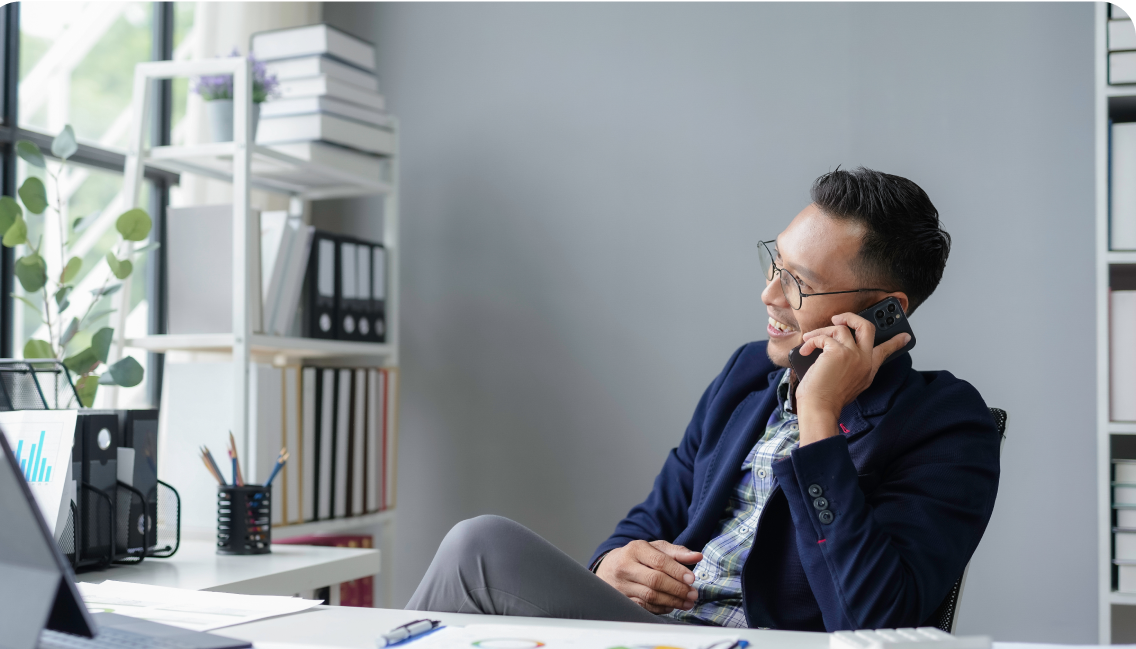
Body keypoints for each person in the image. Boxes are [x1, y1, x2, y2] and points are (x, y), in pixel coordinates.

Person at [406, 167, 1000, 631]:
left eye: (799, 283)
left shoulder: (948, 427)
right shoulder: (747, 376)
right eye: (776, 262)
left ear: (881, 311)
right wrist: (612, 565)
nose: (768, 293)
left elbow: (874, 622)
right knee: (479, 546)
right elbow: (653, 516)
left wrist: (819, 419)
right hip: (667, 630)